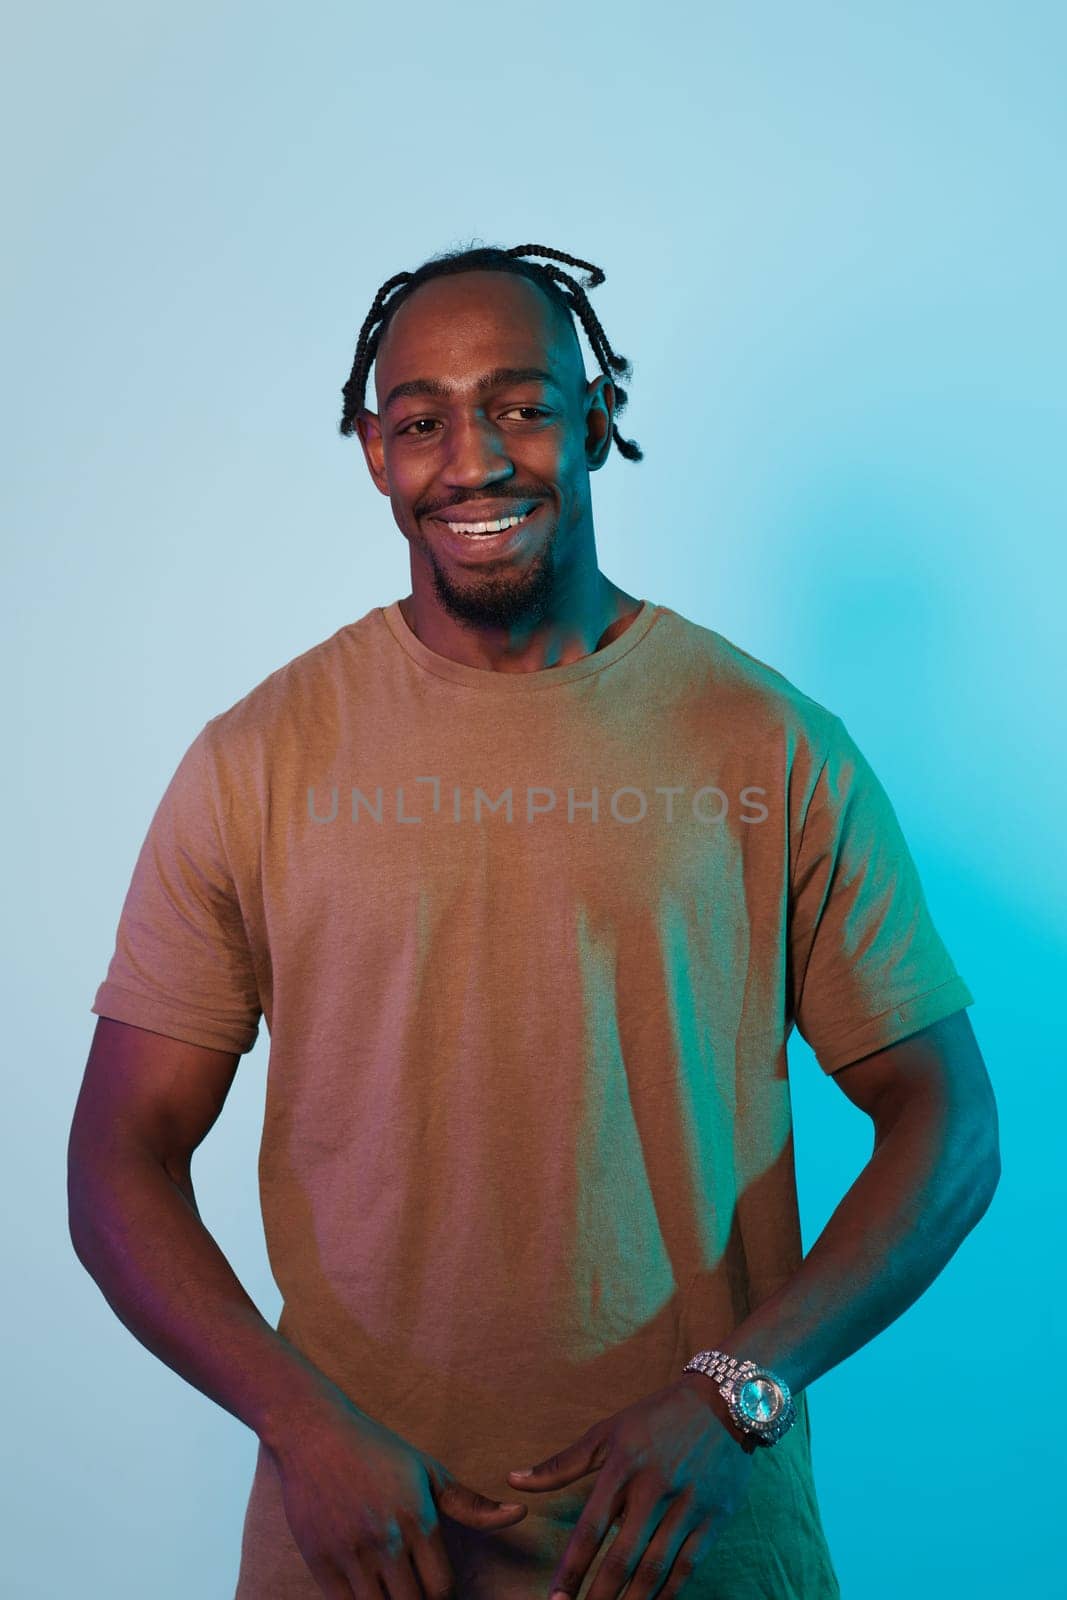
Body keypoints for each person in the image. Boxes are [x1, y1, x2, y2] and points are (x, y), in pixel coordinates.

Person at [68, 242, 1001, 1600]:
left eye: (519, 404)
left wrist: (741, 1385)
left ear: (597, 416)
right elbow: (117, 1161)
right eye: (422, 420)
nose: (474, 459)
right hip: (363, 1553)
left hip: (696, 1551)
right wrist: (298, 1421)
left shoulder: (768, 744)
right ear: (374, 455)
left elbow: (952, 1125)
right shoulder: (255, 761)